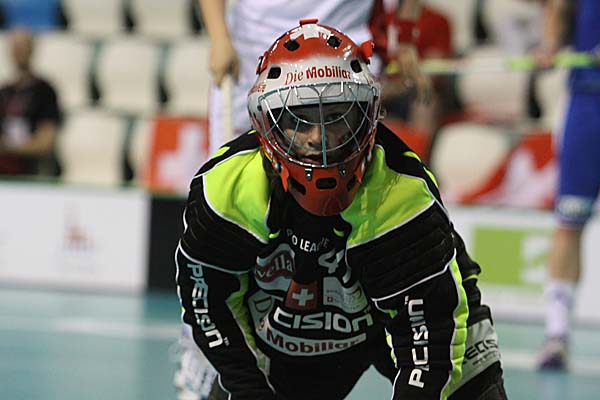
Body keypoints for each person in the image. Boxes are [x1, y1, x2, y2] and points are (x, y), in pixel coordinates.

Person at [176, 19, 507, 400]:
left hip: (411, 323)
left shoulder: (403, 195)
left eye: (335, 115)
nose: (318, 138)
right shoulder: (226, 190)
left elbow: (431, 342)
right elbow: (210, 306)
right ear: (268, 125)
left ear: (367, 115)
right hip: (284, 340)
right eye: (300, 119)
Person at [197, 0, 429, 155]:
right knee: (233, 170)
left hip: (344, 50)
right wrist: (218, 36)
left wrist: (406, 40)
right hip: (254, 50)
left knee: (347, 170)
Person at [535, 0, 600, 370]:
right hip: (588, 99)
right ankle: (556, 335)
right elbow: (559, 7)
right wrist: (549, 45)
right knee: (569, 218)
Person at [0, 28, 61, 177]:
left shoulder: (45, 91)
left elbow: (45, 142)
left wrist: (9, 148)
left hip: (30, 168)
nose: (18, 52)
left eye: (23, 47)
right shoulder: (5, 91)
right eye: (15, 48)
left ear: (32, 50)